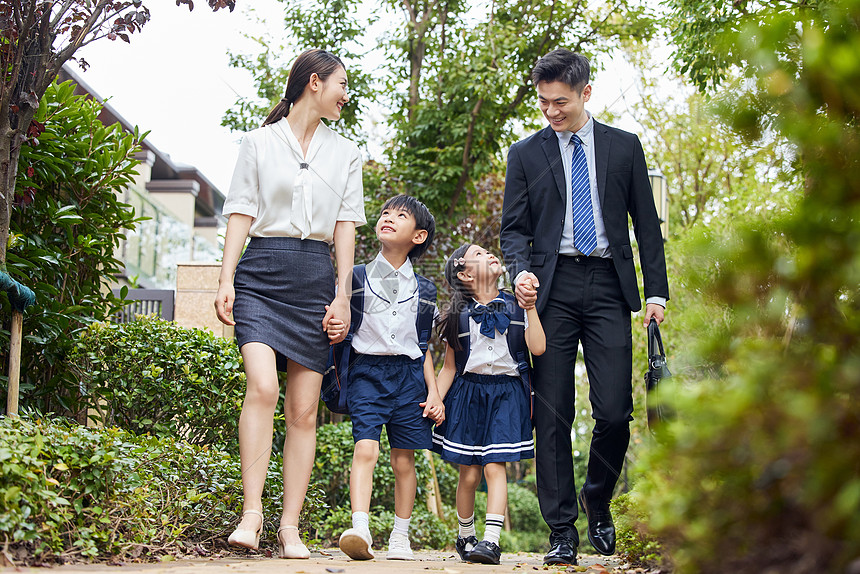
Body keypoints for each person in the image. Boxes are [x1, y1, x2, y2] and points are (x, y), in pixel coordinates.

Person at [499, 49, 669, 565]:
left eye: (561, 102)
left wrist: (656, 292)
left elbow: (646, 224)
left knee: (616, 412)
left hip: (608, 285)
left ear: (585, 93)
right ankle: (561, 532)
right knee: (551, 412)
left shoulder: (624, 147)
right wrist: (519, 270)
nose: (552, 112)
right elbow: (514, 230)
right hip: (551, 290)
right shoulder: (526, 154)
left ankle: (598, 499)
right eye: (544, 103)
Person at [214, 48, 365, 559]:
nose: (347, 94)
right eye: (342, 83)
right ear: (315, 83)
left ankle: (289, 527)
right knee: (262, 386)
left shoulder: (346, 153)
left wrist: (342, 295)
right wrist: (225, 278)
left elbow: (345, 228)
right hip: (261, 273)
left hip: (315, 279)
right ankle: (251, 514)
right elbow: (239, 212)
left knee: (303, 412)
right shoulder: (257, 143)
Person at [326, 194, 445, 561]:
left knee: (404, 460)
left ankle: (400, 536)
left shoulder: (425, 290)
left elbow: (422, 345)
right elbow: (338, 318)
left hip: (409, 376)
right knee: (366, 447)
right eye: (385, 213)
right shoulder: (356, 276)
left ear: (419, 236)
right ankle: (359, 527)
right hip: (366, 371)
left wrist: (435, 392)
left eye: (401, 215)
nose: (388, 218)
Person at [432, 243, 546, 565]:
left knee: (496, 466)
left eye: (489, 252)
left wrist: (530, 307)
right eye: (479, 254)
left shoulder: (516, 306)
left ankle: (491, 541)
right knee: (469, 473)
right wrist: (435, 399)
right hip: (468, 395)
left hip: (508, 394)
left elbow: (537, 348)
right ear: (465, 273)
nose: (490, 255)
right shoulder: (457, 317)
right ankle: (465, 534)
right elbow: (449, 368)